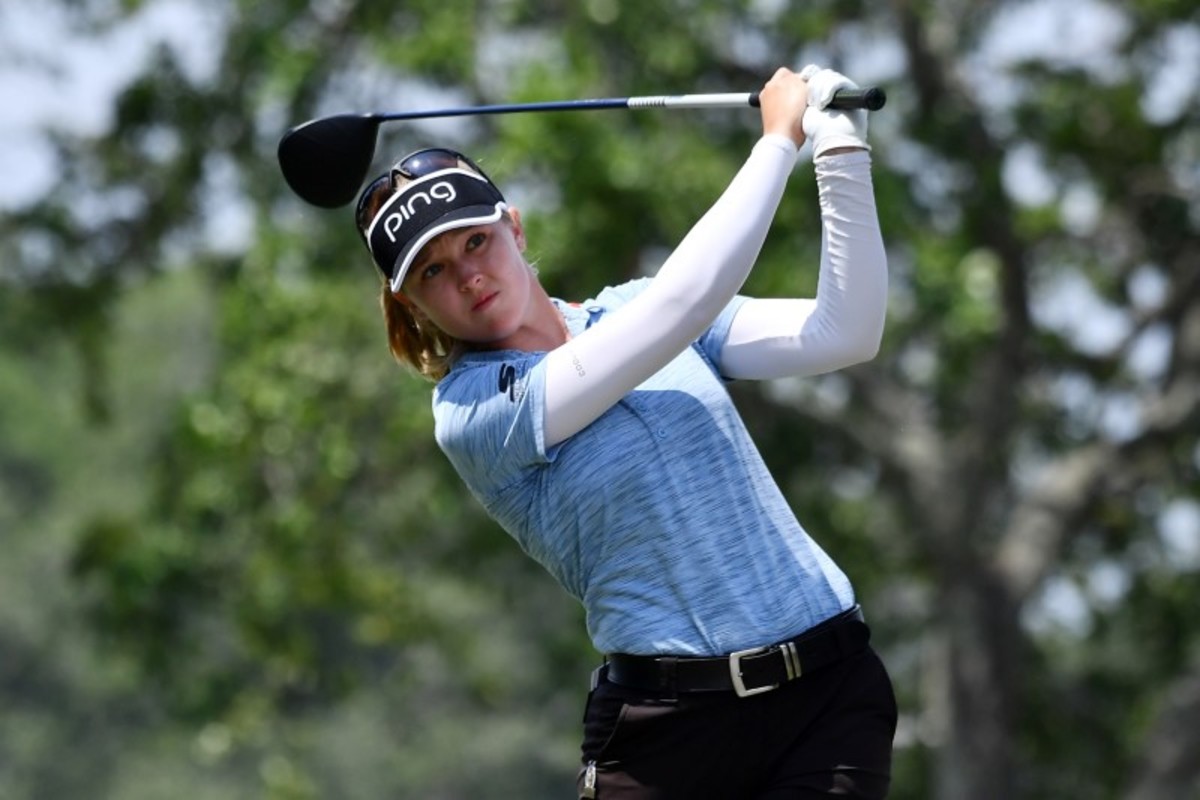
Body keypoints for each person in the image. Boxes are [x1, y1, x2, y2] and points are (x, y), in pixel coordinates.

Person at [354, 64, 895, 799]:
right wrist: (777, 142)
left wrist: (839, 151)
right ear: (414, 306)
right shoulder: (473, 411)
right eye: (432, 272)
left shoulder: (629, 308)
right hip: (670, 738)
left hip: (827, 699)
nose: (467, 276)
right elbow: (680, 305)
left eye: (476, 243)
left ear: (514, 227)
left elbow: (845, 331)